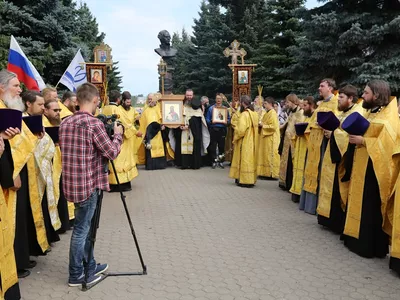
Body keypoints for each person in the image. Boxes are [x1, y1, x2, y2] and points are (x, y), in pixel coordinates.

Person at [59, 82, 124, 286]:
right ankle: (76, 274)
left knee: (84, 228)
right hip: (88, 185)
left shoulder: (65, 122)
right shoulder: (93, 124)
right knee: (81, 230)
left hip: (72, 184)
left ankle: (90, 263)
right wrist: (118, 135)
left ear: (77, 101)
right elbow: (111, 152)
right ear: (95, 101)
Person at [341, 80, 399, 258]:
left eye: (366, 93)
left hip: (374, 169)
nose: (363, 96)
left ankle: (368, 246)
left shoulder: (389, 117)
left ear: (376, 95)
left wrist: (363, 141)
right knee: (358, 201)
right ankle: (353, 237)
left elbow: (388, 145)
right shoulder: (369, 112)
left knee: (370, 205)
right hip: (361, 164)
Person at [0, 70, 40, 279]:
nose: (20, 90)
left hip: (18, 168)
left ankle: (21, 259)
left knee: (20, 218)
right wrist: (9, 176)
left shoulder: (10, 107)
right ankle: (15, 264)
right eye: (16, 86)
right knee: (12, 221)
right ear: (2, 88)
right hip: (8, 172)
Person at [317, 85, 364, 234]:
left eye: (341, 97)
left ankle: (336, 222)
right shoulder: (345, 111)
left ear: (350, 98)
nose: (338, 100)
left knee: (339, 189)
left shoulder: (357, 111)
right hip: (335, 154)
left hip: (344, 158)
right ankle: (328, 219)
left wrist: (333, 134)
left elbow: (349, 134)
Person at [23, 91, 61, 251]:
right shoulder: (23, 120)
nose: (42, 108)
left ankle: (44, 240)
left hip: (42, 170)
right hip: (31, 172)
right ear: (28, 104)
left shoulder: (37, 119)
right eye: (39, 105)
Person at [300, 78, 338, 215]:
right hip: (314, 143)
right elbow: (312, 121)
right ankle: (308, 205)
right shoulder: (321, 104)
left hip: (323, 143)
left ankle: (318, 206)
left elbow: (337, 123)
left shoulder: (336, 103)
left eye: (322, 86)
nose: (319, 88)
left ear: (330, 88)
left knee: (320, 172)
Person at [108, 91, 141, 192]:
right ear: (122, 101)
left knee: (128, 160)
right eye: (127, 102)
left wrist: (138, 119)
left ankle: (126, 182)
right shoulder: (118, 110)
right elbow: (125, 124)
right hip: (122, 138)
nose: (129, 104)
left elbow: (135, 118)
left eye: (130, 102)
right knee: (119, 161)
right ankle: (116, 184)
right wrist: (135, 132)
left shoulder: (132, 109)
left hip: (129, 140)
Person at [171, 89, 210, 170]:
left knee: (194, 146)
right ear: (185, 95)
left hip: (193, 132)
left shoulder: (197, 106)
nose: (189, 97)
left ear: (193, 95)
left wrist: (189, 125)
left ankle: (193, 164)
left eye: (190, 95)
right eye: (187, 95)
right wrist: (180, 126)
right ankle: (183, 164)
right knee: (182, 146)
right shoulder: (181, 105)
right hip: (182, 131)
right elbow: (177, 118)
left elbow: (198, 120)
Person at [290, 96, 317, 203]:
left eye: (305, 105)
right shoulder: (306, 117)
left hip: (307, 149)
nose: (303, 107)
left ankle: (300, 193)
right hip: (300, 147)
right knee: (297, 169)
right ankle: (295, 191)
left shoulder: (314, 117)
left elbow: (314, 135)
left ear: (312, 105)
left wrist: (304, 132)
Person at [229, 95, 259, 187]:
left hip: (245, 141)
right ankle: (251, 179)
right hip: (253, 141)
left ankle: (244, 180)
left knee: (244, 160)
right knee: (250, 160)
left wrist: (235, 138)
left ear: (242, 103)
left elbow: (241, 130)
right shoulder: (254, 114)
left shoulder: (244, 115)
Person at [278, 94, 305, 190]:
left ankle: (290, 183)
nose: (286, 104)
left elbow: (299, 127)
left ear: (293, 101)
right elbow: (286, 125)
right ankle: (284, 182)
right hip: (287, 141)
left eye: (288, 102)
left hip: (294, 141)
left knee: (291, 163)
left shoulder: (300, 113)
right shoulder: (291, 113)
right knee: (286, 161)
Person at [138, 93, 167, 170]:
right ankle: (150, 166)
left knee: (159, 147)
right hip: (149, 133)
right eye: (149, 99)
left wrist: (163, 125)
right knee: (150, 148)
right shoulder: (145, 108)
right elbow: (142, 121)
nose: (150, 101)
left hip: (158, 132)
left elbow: (162, 118)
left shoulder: (158, 107)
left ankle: (160, 165)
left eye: (152, 99)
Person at [256, 97, 280, 179]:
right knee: (265, 155)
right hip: (266, 137)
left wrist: (263, 125)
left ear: (270, 104)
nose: (264, 105)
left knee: (270, 156)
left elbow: (273, 127)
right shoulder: (267, 113)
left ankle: (271, 174)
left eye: (265, 103)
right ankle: (264, 172)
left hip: (271, 138)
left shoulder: (272, 113)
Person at [206, 93, 231, 169]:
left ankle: (221, 161)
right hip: (213, 129)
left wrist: (226, 122)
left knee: (221, 146)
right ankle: (213, 161)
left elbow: (229, 119)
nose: (218, 100)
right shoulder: (211, 108)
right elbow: (207, 118)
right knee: (213, 146)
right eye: (217, 98)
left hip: (222, 129)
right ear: (215, 99)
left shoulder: (225, 109)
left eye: (220, 99)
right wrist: (211, 122)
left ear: (222, 100)